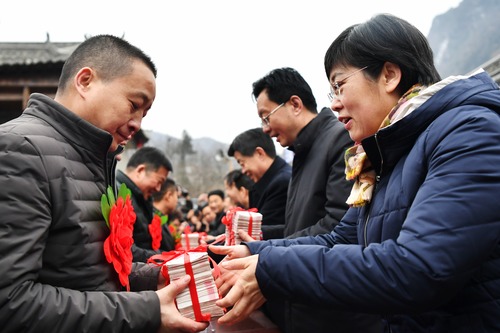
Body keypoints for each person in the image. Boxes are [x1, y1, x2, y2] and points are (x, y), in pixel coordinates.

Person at [211, 13, 500, 333]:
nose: (334, 104)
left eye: (339, 86)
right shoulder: (386, 157)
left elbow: (418, 269)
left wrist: (271, 270)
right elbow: (341, 239)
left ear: (389, 75)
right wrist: (254, 251)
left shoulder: (470, 131)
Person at [0, 34, 208, 332]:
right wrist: (147, 310)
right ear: (85, 81)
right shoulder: (19, 148)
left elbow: (85, 270)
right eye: (134, 105)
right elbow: (12, 302)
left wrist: (155, 278)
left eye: (144, 114)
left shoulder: (94, 157)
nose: (137, 124)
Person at [253, 67, 353, 239]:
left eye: (266, 117)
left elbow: (338, 225)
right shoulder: (301, 151)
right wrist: (258, 237)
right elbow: (297, 229)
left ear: (295, 105)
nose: (265, 129)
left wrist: (268, 250)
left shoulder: (341, 140)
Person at [228, 128, 291, 239]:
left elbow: (261, 233)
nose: (243, 171)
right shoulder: (267, 182)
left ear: (259, 153)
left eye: (242, 163)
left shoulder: (281, 183)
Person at [116, 146, 175, 262]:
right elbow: (125, 250)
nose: (158, 189)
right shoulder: (119, 194)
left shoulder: (141, 199)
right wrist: (162, 256)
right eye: (159, 181)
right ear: (140, 171)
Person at [152, 177, 181, 251]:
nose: (177, 201)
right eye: (177, 196)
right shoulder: (150, 219)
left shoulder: (161, 217)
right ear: (168, 196)